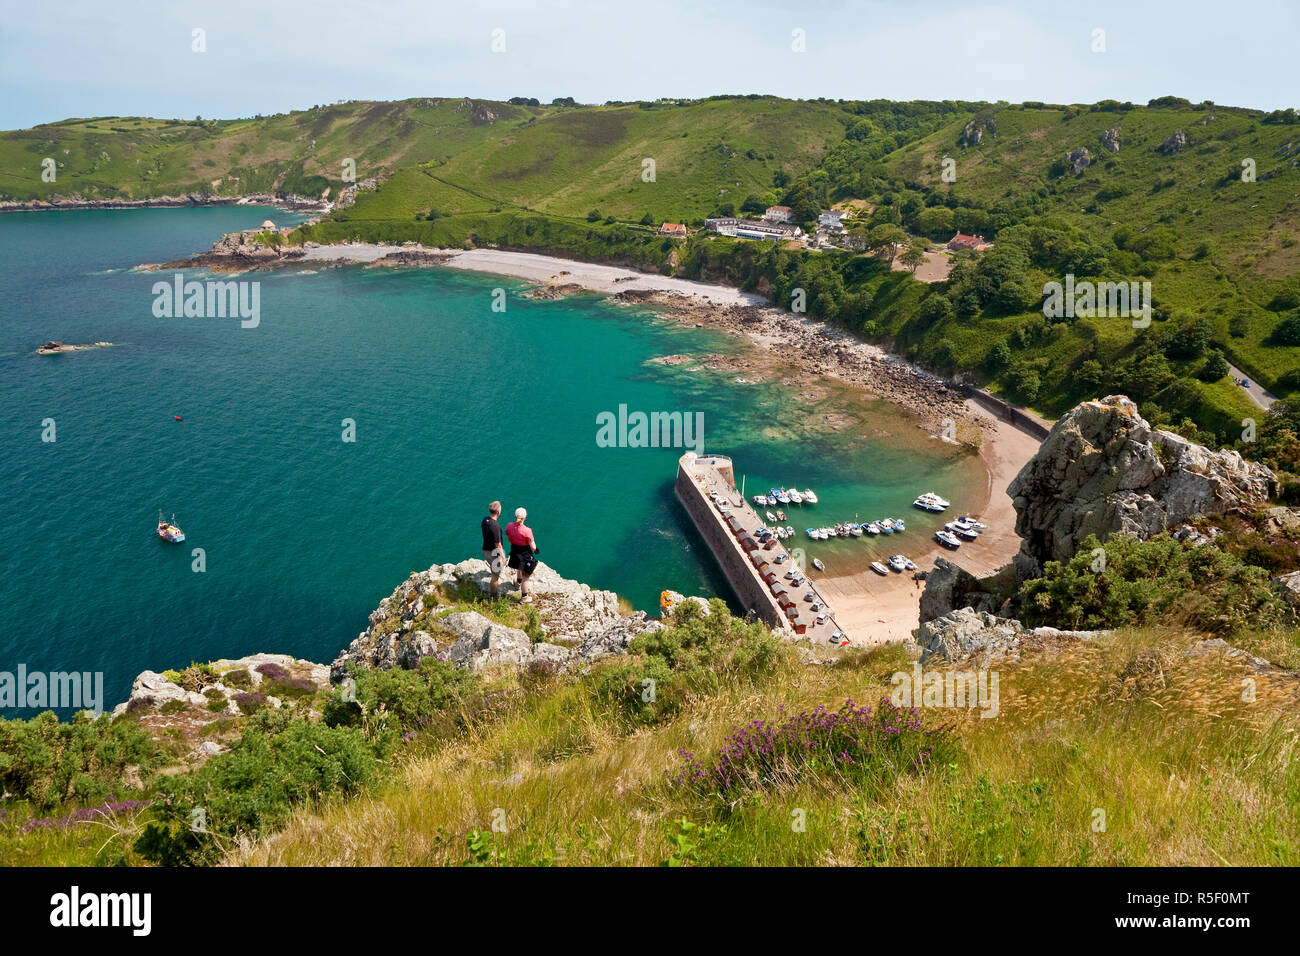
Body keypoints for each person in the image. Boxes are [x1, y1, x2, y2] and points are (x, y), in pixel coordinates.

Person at [505, 507, 539, 602]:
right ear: (524, 518)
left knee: (519, 566)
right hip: (525, 554)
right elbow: (533, 547)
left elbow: (509, 538)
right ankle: (524, 597)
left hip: (515, 551)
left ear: (515, 516)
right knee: (526, 577)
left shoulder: (509, 526)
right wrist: (536, 550)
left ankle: (517, 582)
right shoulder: (527, 530)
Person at [481, 501, 505, 597]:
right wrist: (503, 557)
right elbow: (498, 545)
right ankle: (493, 596)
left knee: (493, 568)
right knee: (495, 577)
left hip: (485, 550)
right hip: (492, 553)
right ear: (498, 512)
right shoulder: (495, 527)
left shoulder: (485, 520)